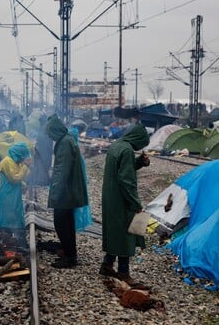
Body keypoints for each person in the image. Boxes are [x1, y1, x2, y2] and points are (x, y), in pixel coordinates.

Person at [100, 123, 151, 287]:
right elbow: (126, 181)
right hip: (121, 199)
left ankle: (107, 265)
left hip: (111, 196)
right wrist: (136, 203)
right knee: (125, 234)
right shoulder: (127, 150)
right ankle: (123, 272)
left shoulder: (117, 146)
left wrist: (140, 163)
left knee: (116, 231)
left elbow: (122, 169)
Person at [45, 114, 88, 269]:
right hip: (70, 190)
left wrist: (55, 194)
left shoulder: (64, 143)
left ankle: (70, 257)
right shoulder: (68, 140)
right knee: (67, 223)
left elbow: (62, 171)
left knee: (61, 223)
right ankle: (71, 253)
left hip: (66, 192)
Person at [0, 142, 32, 250]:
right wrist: (25, 166)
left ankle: (15, 242)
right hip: (6, 194)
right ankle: (9, 242)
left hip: (12, 193)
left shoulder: (14, 161)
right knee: (9, 217)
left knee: (15, 215)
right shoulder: (8, 161)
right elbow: (14, 178)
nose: (22, 160)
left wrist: (24, 183)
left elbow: (20, 175)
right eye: (22, 158)